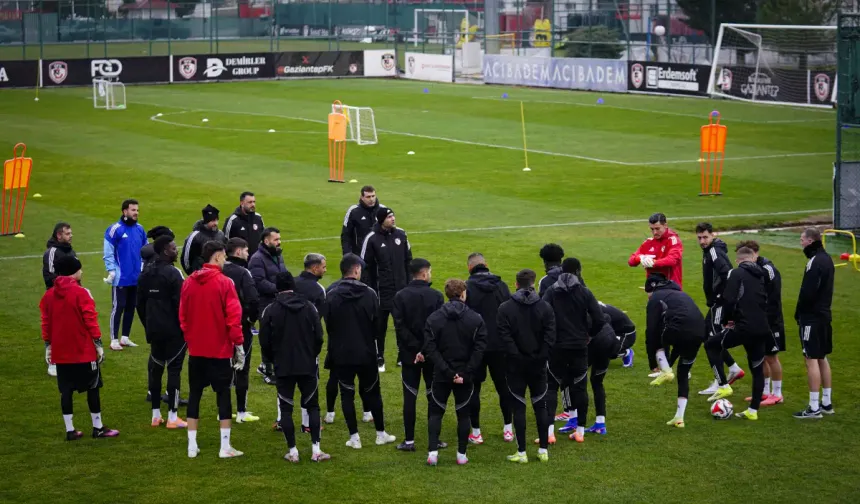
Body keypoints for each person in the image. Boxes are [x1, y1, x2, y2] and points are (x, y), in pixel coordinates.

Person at [41, 255, 119, 440]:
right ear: (73, 271)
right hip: (83, 351)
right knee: (93, 388)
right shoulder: (82, 293)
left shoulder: (48, 295)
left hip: (61, 352)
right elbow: (90, 320)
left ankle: (70, 430)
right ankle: (98, 428)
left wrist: (48, 345)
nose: (82, 271)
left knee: (65, 391)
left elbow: (46, 322)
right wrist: (98, 344)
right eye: (79, 269)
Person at [323, 253, 396, 449]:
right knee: (373, 392)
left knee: (347, 394)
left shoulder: (330, 293)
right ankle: (380, 434)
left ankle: (354, 438)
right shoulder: (370, 293)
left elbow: (328, 323)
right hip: (366, 352)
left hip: (341, 352)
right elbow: (377, 325)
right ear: (356, 270)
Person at [179, 241, 245, 458]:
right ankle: (224, 446)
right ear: (217, 257)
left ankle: (191, 445)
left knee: (195, 394)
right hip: (219, 351)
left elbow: (183, 317)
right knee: (223, 395)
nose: (225, 260)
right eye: (224, 257)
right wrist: (238, 344)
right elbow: (233, 318)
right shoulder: (225, 283)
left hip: (196, 350)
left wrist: (191, 339)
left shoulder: (188, 282)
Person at [259, 272, 331, 462]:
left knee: (286, 408)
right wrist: (312, 354)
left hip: (283, 366)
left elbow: (264, 341)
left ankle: (293, 451)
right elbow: (319, 336)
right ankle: (316, 449)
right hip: (307, 364)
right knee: (312, 406)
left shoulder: (271, 310)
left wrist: (273, 359)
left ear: (277, 287)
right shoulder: (309, 307)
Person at [423, 279, 487, 466]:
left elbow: (430, 348)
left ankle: (433, 452)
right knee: (463, 414)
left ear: (447, 294)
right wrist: (465, 373)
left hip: (442, 374)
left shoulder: (434, 318)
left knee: (436, 413)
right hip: (463, 375)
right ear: (463, 294)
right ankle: (461, 454)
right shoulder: (475, 318)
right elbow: (480, 349)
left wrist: (447, 371)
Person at [702, 247, 770, 420]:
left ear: (739, 260)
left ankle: (723, 384)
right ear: (752, 259)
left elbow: (729, 299)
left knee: (711, 344)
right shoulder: (761, 274)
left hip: (744, 327)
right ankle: (753, 411)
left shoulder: (736, 273)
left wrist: (727, 320)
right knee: (757, 369)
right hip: (762, 327)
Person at [541, 258, 604, 443]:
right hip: (579, 346)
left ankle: (549, 433)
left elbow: (542, 314)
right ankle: (580, 432)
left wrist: (549, 337)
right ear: (578, 270)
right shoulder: (584, 292)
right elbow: (599, 319)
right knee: (580, 386)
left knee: (551, 387)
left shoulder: (552, 291)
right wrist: (589, 335)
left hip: (557, 347)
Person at [497, 269, 555, 463]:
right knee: (541, 405)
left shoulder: (505, 308)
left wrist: (517, 355)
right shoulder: (545, 307)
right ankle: (543, 450)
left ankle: (521, 452)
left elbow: (504, 337)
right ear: (534, 283)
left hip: (515, 365)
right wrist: (540, 356)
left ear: (516, 284)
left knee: (519, 407)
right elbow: (550, 336)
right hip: (538, 365)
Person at [392, 258, 445, 452]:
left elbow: (400, 326)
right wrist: (425, 349)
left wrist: (415, 350)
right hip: (431, 355)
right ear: (424, 274)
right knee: (433, 396)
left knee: (410, 396)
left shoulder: (400, 296)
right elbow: (438, 327)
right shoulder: (436, 296)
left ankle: (409, 441)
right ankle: (435, 440)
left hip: (409, 355)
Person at [136, 235, 187, 429]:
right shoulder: (173, 274)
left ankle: (155, 416)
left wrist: (148, 324)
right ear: (166, 250)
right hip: (174, 331)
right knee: (174, 370)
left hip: (154, 329)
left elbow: (139, 304)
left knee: (156, 369)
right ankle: (173, 416)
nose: (176, 250)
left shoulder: (145, 273)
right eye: (174, 248)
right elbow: (181, 304)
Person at [464, 252, 513, 444]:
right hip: (500, 345)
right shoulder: (501, 286)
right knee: (504, 387)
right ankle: (508, 429)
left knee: (474, 388)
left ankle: (476, 432)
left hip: (476, 346)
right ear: (486, 265)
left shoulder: (466, 288)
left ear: (470, 268)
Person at [644, 274, 703, 428]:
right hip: (699, 332)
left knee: (657, 338)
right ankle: (679, 418)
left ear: (651, 289)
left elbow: (651, 332)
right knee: (683, 373)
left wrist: (653, 363)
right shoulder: (681, 294)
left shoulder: (656, 298)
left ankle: (666, 371)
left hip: (679, 329)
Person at [695, 223, 745, 396]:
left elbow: (728, 274)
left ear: (713, 235)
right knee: (705, 334)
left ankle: (721, 383)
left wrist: (722, 298)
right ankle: (733, 368)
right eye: (699, 238)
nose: (702, 241)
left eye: (705, 237)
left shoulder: (714, 252)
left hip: (720, 303)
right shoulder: (710, 251)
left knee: (712, 342)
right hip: (716, 303)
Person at [360, 207, 412, 372]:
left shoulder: (401, 235)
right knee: (379, 325)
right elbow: (364, 265)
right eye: (389, 217)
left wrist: (409, 283)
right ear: (381, 219)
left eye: (393, 215)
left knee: (402, 324)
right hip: (381, 290)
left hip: (401, 289)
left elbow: (408, 260)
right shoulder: (372, 238)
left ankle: (402, 355)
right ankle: (379, 356)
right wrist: (369, 288)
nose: (393, 219)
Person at [737, 240, 786, 406]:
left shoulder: (768, 269)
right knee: (761, 356)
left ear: (754, 254)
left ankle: (777, 393)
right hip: (758, 320)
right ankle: (764, 392)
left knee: (771, 356)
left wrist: (768, 318)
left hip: (771, 320)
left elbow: (773, 297)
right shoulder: (753, 269)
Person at [793, 228, 835, 419]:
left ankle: (813, 407)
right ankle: (826, 402)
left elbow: (808, 292)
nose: (801, 243)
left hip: (812, 317)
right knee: (821, 357)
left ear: (810, 241)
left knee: (810, 359)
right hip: (825, 315)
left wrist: (799, 313)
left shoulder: (814, 262)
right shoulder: (827, 259)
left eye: (802, 240)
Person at [222, 237, 260, 423]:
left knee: (224, 367)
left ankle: (225, 410)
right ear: (238, 252)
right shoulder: (243, 272)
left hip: (220, 327)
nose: (248, 253)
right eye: (245, 250)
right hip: (240, 326)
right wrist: (250, 320)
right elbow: (253, 300)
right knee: (241, 367)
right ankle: (242, 412)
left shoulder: (219, 270)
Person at [103, 198, 147, 351]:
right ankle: (113, 339)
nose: (136, 213)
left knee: (131, 306)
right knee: (118, 307)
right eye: (133, 210)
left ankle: (125, 338)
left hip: (136, 276)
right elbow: (108, 252)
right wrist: (111, 270)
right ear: (125, 211)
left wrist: (143, 267)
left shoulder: (140, 229)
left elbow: (145, 250)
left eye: (137, 210)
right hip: (121, 277)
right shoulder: (114, 229)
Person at [249, 227, 288, 384]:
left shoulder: (277, 255)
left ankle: (268, 365)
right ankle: (267, 370)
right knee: (268, 337)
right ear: (266, 241)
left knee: (279, 335)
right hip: (265, 303)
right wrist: (279, 289)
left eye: (279, 239)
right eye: (276, 239)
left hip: (278, 301)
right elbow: (258, 282)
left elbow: (282, 274)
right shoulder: (257, 259)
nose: (279, 242)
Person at [294, 253, 327, 432]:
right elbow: (318, 319)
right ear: (314, 268)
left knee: (285, 382)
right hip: (307, 343)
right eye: (323, 266)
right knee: (309, 383)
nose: (325, 269)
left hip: (287, 340)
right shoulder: (318, 289)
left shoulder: (292, 283)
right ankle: (307, 423)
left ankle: (280, 420)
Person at [42, 222, 76, 377]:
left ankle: (67, 358)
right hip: (56, 296)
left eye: (70, 233)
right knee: (55, 329)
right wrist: (68, 283)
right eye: (67, 233)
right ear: (59, 235)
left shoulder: (70, 251)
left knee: (69, 328)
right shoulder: (51, 252)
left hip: (72, 295)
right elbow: (49, 277)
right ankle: (52, 361)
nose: (71, 236)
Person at [583, 316, 623, 435]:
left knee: (577, 380)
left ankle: (576, 421)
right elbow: (606, 317)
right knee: (596, 382)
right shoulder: (591, 305)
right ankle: (600, 423)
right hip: (610, 340)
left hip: (599, 342)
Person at [627, 212, 683, 289]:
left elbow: (672, 260)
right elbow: (631, 262)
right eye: (652, 229)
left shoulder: (673, 240)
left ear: (665, 225)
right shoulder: (649, 242)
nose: (654, 232)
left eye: (657, 228)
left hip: (670, 288)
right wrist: (640, 258)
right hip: (653, 289)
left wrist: (653, 263)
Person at [181, 205, 227, 275]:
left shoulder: (220, 234)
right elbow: (185, 259)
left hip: (218, 275)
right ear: (206, 221)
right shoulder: (195, 236)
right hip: (200, 276)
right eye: (213, 221)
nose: (216, 223)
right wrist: (192, 275)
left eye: (217, 220)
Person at [341, 185, 385, 256]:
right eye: (368, 197)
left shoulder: (383, 210)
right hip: (360, 254)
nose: (371, 199)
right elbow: (346, 235)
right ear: (362, 197)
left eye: (373, 196)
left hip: (379, 253)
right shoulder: (353, 211)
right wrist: (347, 255)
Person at [224, 191, 265, 256]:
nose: (253, 205)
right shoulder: (233, 220)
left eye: (254, 202)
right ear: (242, 203)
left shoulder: (258, 218)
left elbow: (263, 239)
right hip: (240, 262)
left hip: (256, 260)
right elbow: (225, 241)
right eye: (250, 202)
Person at [599, 302, 636, 368]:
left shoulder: (596, 311)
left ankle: (626, 352)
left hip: (626, 334)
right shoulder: (591, 305)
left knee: (605, 347)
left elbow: (606, 332)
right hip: (615, 329)